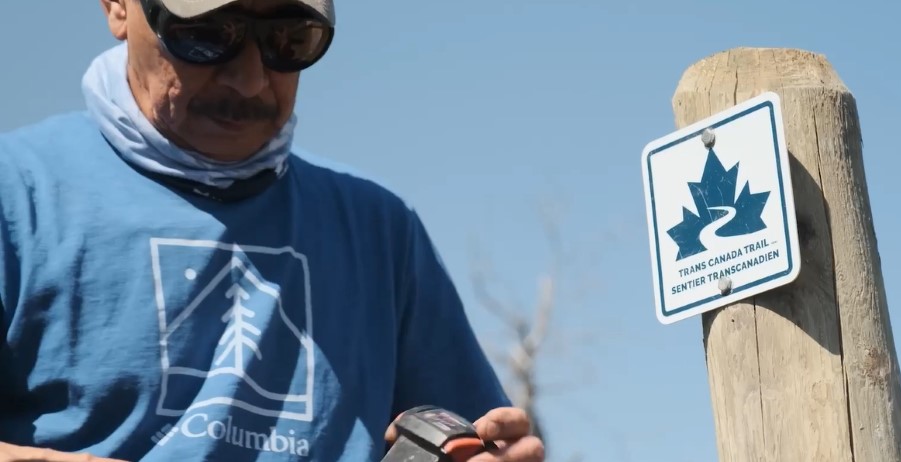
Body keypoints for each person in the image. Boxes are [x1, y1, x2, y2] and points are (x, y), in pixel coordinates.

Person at [0, 0, 545, 461]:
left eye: (288, 40)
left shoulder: (380, 229)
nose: (250, 79)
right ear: (119, 7)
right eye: (208, 34)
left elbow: (467, 434)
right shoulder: (18, 194)